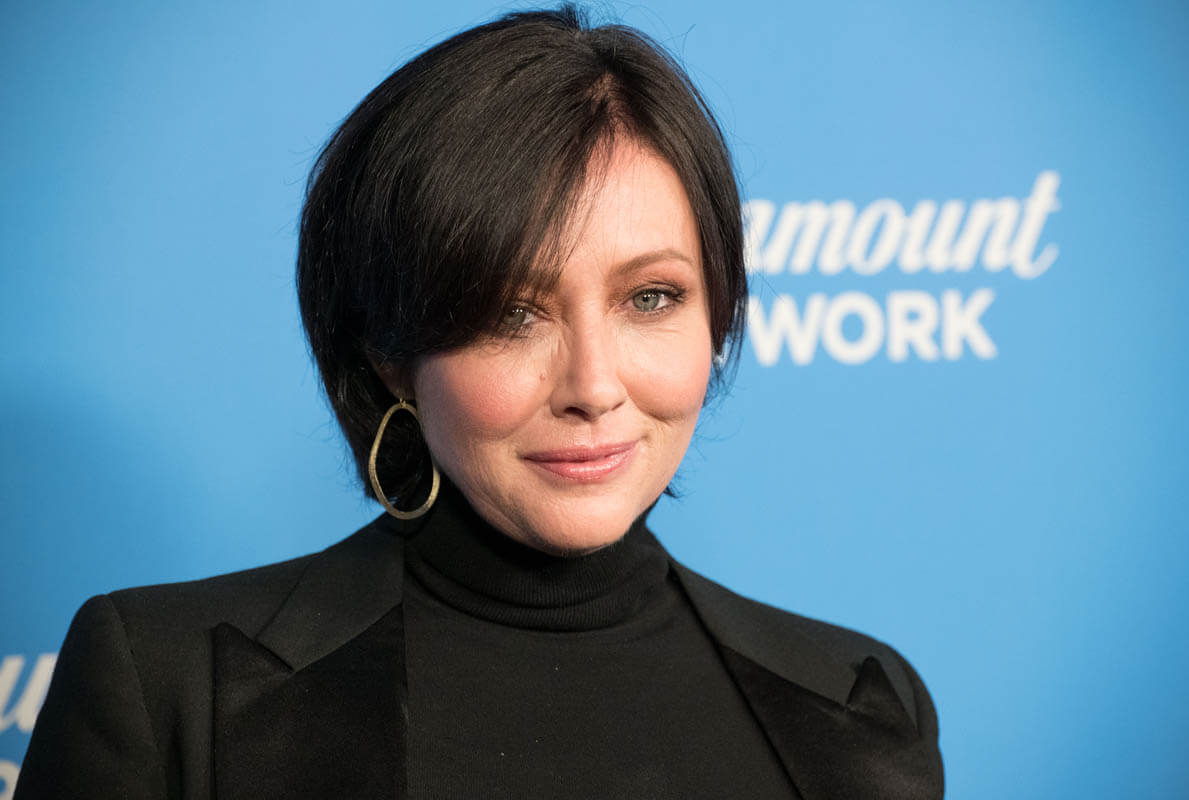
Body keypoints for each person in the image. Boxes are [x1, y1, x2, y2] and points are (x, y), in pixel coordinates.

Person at [15, 5, 944, 798]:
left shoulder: (863, 705)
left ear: (719, 313)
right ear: (390, 356)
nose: (593, 387)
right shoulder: (169, 690)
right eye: (512, 314)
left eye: (651, 298)